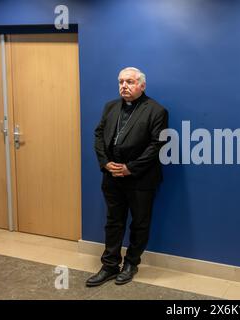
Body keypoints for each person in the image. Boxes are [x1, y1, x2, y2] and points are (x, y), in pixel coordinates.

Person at [86, 67, 168, 287]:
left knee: (140, 224)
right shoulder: (110, 107)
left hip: (141, 179)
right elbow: (98, 135)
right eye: (121, 82)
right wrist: (105, 163)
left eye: (130, 82)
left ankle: (131, 263)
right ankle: (110, 265)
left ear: (142, 85)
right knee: (113, 222)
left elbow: (157, 144)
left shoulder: (156, 111)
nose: (124, 86)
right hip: (112, 176)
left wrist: (130, 168)